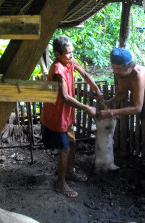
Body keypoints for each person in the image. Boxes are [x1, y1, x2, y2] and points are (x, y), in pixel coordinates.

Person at [42, 36, 101, 198]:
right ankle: (60, 183)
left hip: (66, 114)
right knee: (65, 148)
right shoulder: (57, 70)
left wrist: (96, 89)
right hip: (56, 115)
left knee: (72, 144)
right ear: (57, 53)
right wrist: (86, 107)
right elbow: (65, 98)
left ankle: (68, 172)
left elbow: (85, 74)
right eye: (67, 53)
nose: (71, 55)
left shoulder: (70, 62)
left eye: (71, 52)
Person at [98, 48, 145, 127]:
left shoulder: (139, 77)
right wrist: (109, 102)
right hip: (144, 103)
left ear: (129, 67)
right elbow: (123, 93)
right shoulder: (120, 74)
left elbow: (137, 108)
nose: (115, 72)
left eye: (118, 69)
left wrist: (112, 112)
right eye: (113, 68)